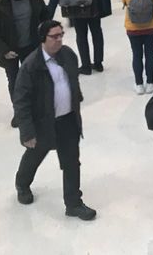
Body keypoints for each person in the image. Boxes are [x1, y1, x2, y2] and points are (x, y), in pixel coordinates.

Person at [12, 19, 96, 221]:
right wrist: (27, 132)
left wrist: (76, 97)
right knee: (35, 154)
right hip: (43, 123)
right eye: (54, 36)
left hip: (67, 120)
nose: (59, 40)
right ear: (43, 39)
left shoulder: (68, 55)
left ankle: (74, 203)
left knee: (71, 162)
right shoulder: (31, 66)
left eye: (61, 35)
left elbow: (72, 80)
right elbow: (21, 101)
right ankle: (22, 183)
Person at [0, 0, 48, 126]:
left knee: (33, 80)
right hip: (11, 51)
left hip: (31, 47)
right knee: (14, 82)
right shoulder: (1, 4)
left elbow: (45, 17)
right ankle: (19, 112)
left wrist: (43, 39)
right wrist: (4, 50)